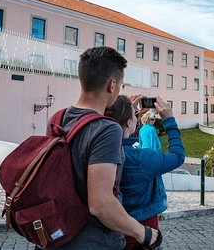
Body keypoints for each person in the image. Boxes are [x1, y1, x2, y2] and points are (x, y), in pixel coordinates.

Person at [53, 46, 159, 249]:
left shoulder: (59, 117)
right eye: (120, 85)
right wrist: (143, 233)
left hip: (58, 234)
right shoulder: (107, 129)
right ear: (112, 85)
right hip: (91, 241)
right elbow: (101, 204)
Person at [106, 95, 185, 250]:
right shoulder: (139, 159)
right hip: (142, 229)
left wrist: (128, 112)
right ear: (129, 122)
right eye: (133, 116)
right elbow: (178, 156)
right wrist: (169, 120)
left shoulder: (104, 150)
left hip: (112, 226)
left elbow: (121, 136)